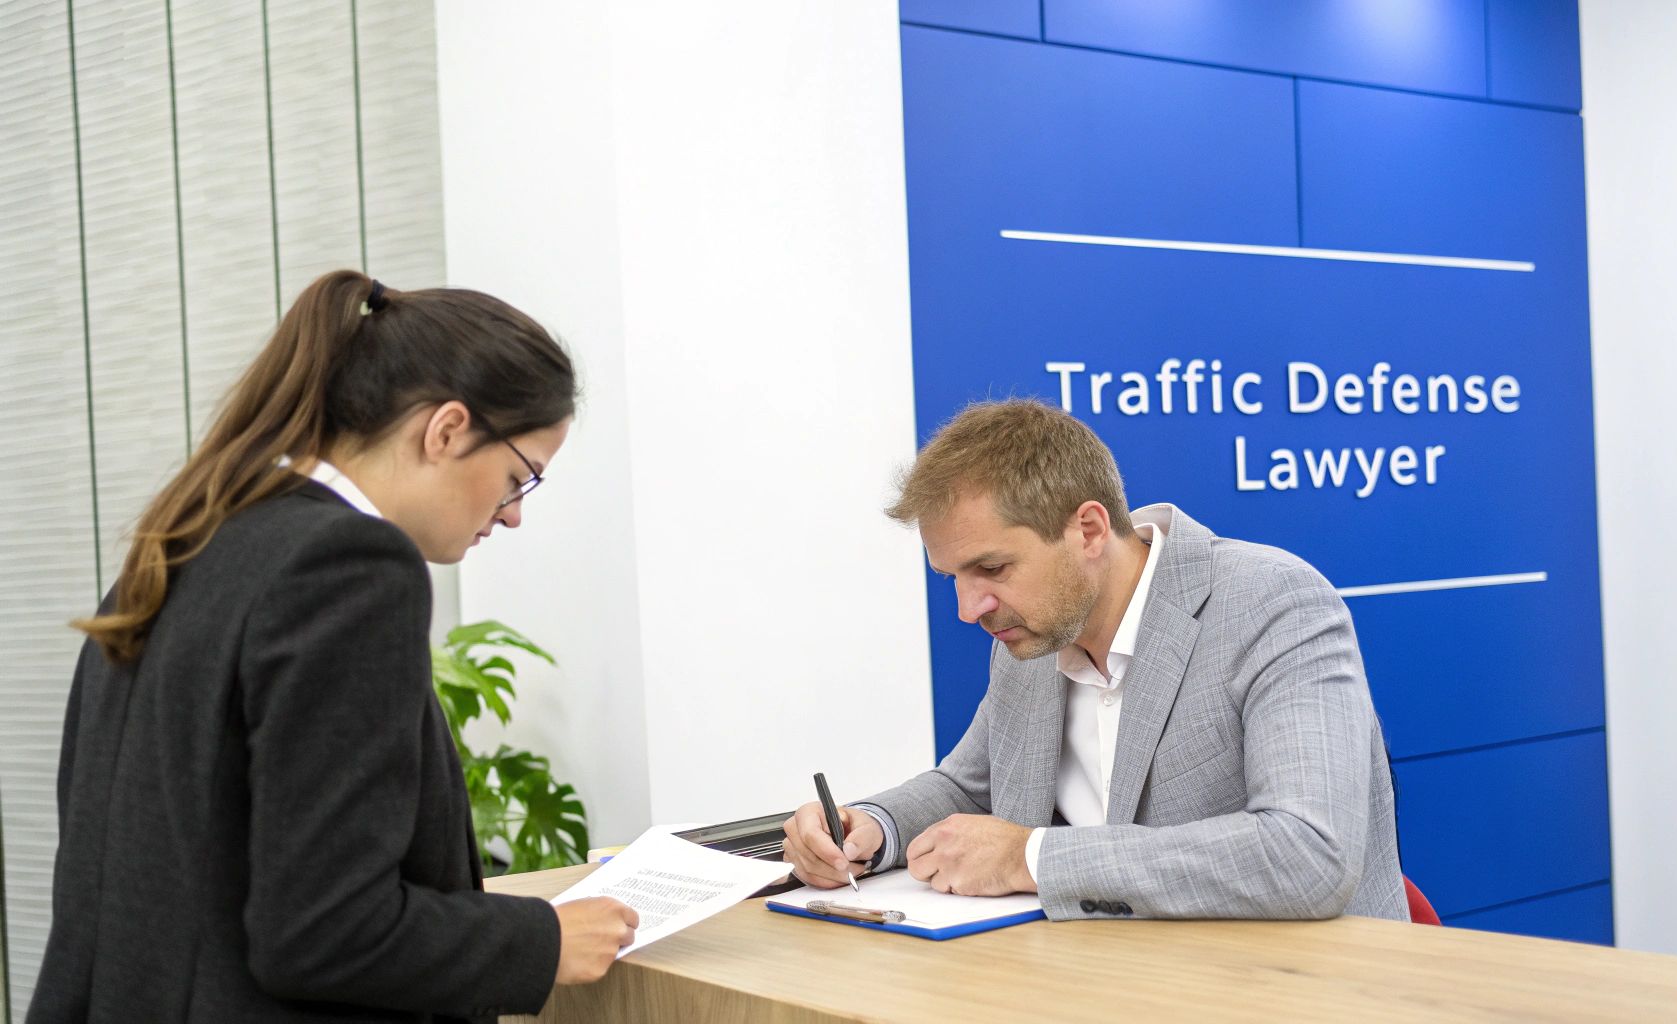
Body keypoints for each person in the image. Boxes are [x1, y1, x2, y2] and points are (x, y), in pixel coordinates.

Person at [31, 271, 636, 1023]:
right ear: (446, 429)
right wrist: (542, 941)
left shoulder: (184, 540)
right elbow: (324, 932)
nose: (511, 517)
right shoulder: (351, 568)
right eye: (519, 479)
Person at [781, 399, 1409, 922]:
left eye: (992, 568)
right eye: (952, 577)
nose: (970, 609)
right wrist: (870, 828)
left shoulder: (1274, 604)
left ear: (1086, 530)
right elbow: (969, 786)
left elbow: (1309, 854)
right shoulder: (1033, 632)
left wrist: (1032, 859)